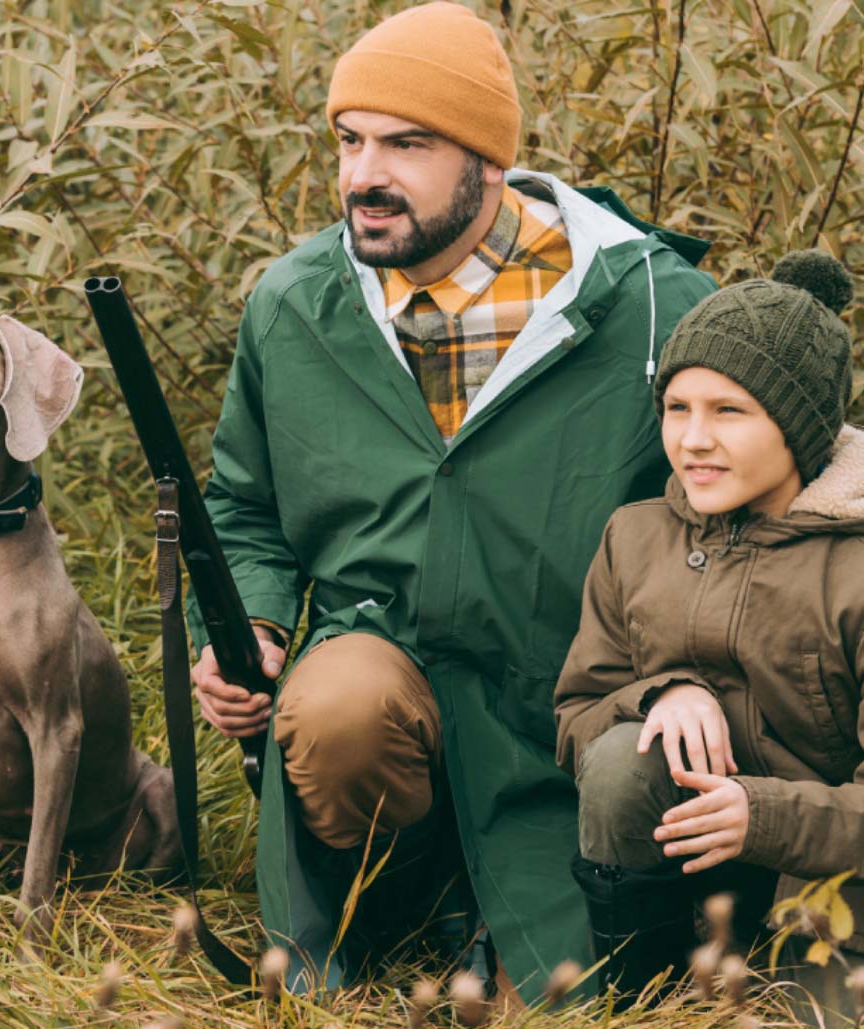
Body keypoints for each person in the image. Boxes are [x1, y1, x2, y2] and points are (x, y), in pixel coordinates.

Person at [187, 0, 715, 1003]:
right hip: (382, 679)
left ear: (486, 157)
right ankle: (404, 901)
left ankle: (511, 909)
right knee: (338, 706)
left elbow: (736, 526)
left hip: (570, 714)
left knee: (579, 994)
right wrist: (247, 621)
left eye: (408, 143)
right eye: (348, 141)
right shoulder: (293, 302)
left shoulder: (648, 305)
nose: (363, 175)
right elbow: (244, 508)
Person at [555, 250, 862, 1014]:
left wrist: (760, 814)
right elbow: (574, 721)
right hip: (689, 872)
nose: (692, 438)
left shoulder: (854, 565)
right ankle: (644, 996)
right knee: (623, 758)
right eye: (676, 407)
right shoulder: (634, 536)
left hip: (833, 874)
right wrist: (660, 692)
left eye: (729, 411)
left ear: (800, 424)